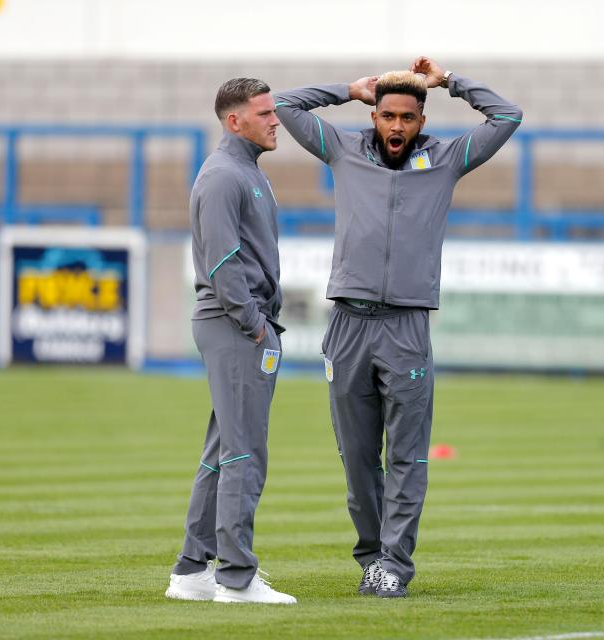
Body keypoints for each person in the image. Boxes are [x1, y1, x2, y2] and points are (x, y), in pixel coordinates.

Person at [275, 57, 522, 598]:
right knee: (358, 458)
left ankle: (393, 562)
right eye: (387, 115)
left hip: (407, 327)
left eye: (407, 118)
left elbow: (507, 116)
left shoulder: (446, 159)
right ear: (375, 116)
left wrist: (452, 81)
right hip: (347, 325)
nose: (395, 127)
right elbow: (285, 105)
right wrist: (348, 89)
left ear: (421, 119)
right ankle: (372, 556)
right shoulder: (342, 150)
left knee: (407, 455)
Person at [164, 78, 296, 605]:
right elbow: (222, 263)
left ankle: (192, 571)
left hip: (239, 323)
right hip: (235, 324)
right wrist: (255, 324)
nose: (275, 120)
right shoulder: (223, 176)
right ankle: (236, 578)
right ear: (233, 121)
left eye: (273, 111)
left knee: (223, 452)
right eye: (263, 113)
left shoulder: (246, 172)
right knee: (245, 453)